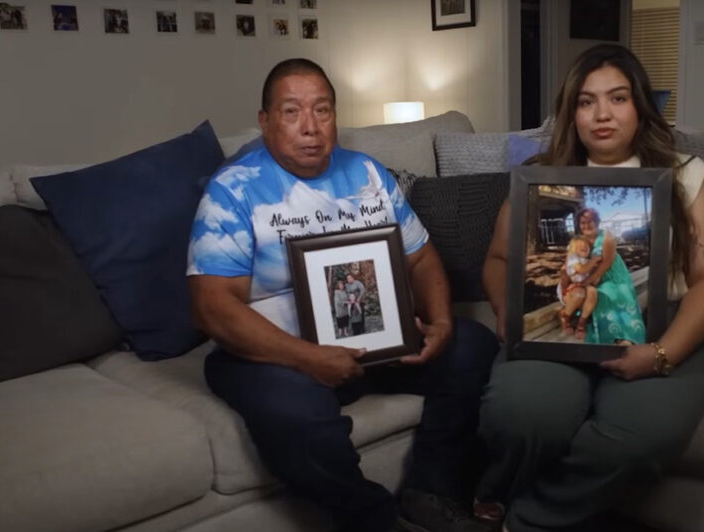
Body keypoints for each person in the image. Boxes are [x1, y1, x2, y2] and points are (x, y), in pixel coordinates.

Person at [187, 58, 498, 532]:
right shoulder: (233, 191)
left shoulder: (368, 173)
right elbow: (212, 306)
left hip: (376, 339)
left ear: (336, 116)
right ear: (265, 120)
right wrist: (307, 358)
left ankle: (432, 488)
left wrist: (440, 322)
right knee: (297, 416)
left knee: (474, 347)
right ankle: (373, 521)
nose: (310, 127)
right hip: (271, 356)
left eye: (323, 110)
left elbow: (420, 256)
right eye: (291, 112)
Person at [476, 44, 704, 531]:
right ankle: (497, 484)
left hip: (668, 324)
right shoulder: (540, 175)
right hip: (562, 327)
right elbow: (497, 259)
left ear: (640, 105)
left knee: (641, 433)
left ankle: (529, 518)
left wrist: (662, 353)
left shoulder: (687, 175)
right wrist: (508, 311)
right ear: (571, 111)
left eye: (617, 98)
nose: (601, 115)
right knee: (522, 412)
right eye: (586, 101)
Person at [575, 207, 646, 346]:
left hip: (613, 275)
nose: (586, 225)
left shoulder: (607, 236)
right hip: (593, 276)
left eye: (590, 221)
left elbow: (608, 261)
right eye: (582, 222)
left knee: (619, 293)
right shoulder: (580, 241)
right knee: (600, 295)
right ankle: (611, 336)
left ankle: (627, 336)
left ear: (597, 222)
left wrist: (591, 279)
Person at [556, 234, 600, 339]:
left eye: (586, 246)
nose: (584, 247)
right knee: (580, 293)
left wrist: (595, 269)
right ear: (573, 249)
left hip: (584, 288)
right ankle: (565, 316)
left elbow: (595, 280)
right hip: (570, 292)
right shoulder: (573, 257)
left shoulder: (588, 261)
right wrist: (593, 261)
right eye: (580, 246)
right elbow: (581, 269)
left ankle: (581, 323)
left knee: (593, 291)